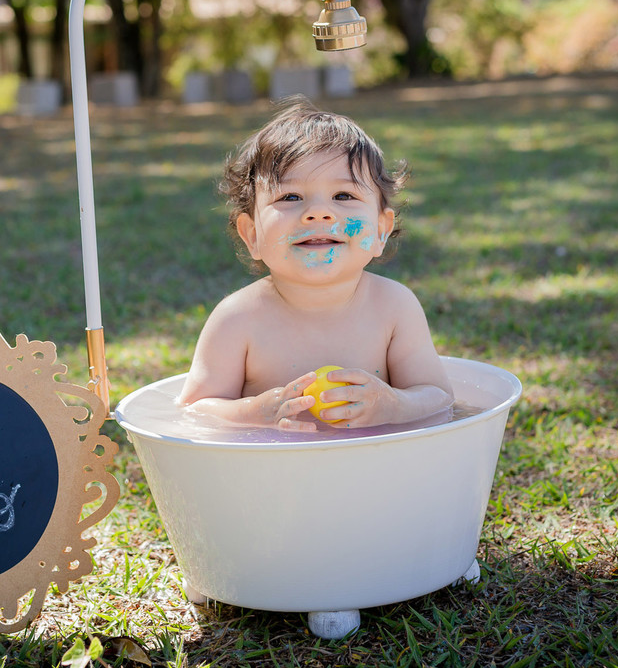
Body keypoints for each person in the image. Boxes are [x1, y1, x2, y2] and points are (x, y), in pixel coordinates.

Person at [178, 97, 453, 432]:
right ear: (252, 234)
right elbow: (193, 410)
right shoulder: (238, 319)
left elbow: (438, 397)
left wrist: (394, 405)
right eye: (290, 198)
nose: (319, 213)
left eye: (343, 196)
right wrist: (253, 412)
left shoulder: (394, 308)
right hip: (272, 477)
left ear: (381, 230)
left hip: (376, 471)